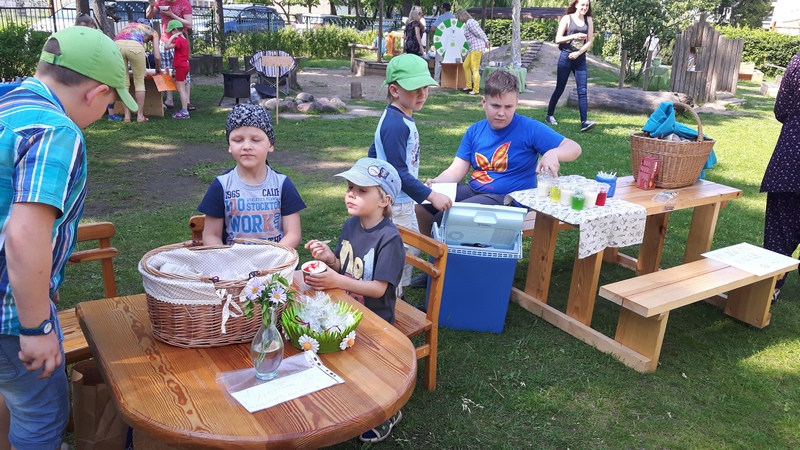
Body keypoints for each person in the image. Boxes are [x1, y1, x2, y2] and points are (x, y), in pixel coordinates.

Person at [0, 26, 135, 449]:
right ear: (95, 93)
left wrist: (41, 286)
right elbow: (23, 235)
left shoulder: (7, 103)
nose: (106, 112)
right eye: (110, 104)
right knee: (41, 418)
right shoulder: (55, 131)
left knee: (8, 401)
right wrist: (36, 324)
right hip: (8, 317)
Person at [304, 157, 405, 443]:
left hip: (375, 318)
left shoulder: (389, 239)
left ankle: (387, 412)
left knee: (370, 371)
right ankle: (346, 398)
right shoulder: (351, 225)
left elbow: (379, 289)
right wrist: (330, 260)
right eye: (350, 187)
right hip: (347, 308)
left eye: (362, 190)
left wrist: (336, 281)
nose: (351, 194)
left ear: (384, 200)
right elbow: (345, 266)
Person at [416, 69, 582, 236]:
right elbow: (455, 170)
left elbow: (574, 147)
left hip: (508, 199)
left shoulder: (529, 128)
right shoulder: (475, 130)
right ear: (484, 102)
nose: (501, 113)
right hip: (475, 190)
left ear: (516, 103)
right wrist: (436, 183)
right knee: (423, 203)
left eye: (508, 107)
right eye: (495, 106)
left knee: (446, 217)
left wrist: (553, 153)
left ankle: (445, 248)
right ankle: (432, 246)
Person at [368, 53, 452, 295]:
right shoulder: (395, 125)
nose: (422, 94)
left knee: (411, 247)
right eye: (415, 89)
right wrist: (431, 196)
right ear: (394, 90)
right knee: (399, 253)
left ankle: (398, 295)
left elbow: (374, 152)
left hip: (403, 200)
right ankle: (389, 299)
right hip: (396, 203)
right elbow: (398, 173)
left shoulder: (401, 117)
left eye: (425, 87)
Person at [198, 103, 305, 248]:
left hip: (276, 259)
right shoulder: (221, 186)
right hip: (233, 260)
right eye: (238, 140)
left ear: (270, 145)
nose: (246, 146)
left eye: (255, 140)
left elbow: (293, 234)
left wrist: (273, 256)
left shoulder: (282, 184)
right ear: (229, 145)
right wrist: (225, 258)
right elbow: (211, 236)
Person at [760, 51, 800, 303]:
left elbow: (782, 109)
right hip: (792, 155)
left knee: (781, 226)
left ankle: (771, 286)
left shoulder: (798, 61)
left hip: (793, 155)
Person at [545, 0, 596, 132]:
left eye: (587, 5)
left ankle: (584, 122)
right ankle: (549, 115)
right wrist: (574, 36)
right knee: (560, 88)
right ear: (576, 4)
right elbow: (558, 39)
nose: (585, 7)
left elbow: (589, 41)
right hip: (566, 58)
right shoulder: (567, 18)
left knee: (582, 90)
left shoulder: (588, 20)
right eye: (582, 4)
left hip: (580, 59)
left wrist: (578, 53)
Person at [146, 0, 194, 111]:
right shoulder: (161, 1)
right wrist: (151, 5)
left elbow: (189, 24)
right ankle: (169, 99)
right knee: (166, 71)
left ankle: (187, 101)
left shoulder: (184, 3)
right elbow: (148, 15)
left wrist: (171, 14)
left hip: (179, 40)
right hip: (165, 40)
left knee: (183, 73)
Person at [114, 18, 162, 122]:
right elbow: (157, 56)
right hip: (135, 46)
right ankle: (140, 116)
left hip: (117, 46)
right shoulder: (152, 31)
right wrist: (158, 68)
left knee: (124, 83)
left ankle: (127, 116)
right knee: (139, 81)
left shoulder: (128, 26)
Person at [455, 9, 490, 95]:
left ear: (462, 16)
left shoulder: (470, 23)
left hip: (477, 47)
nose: (458, 20)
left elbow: (479, 33)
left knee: (474, 68)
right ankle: (469, 85)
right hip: (473, 48)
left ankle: (476, 89)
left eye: (458, 18)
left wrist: (486, 40)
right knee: (465, 65)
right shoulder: (468, 23)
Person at [164, 19, 190, 119]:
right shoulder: (184, 40)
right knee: (182, 88)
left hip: (180, 66)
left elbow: (166, 46)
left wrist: (173, 37)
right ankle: (184, 110)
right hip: (184, 65)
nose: (170, 33)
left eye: (171, 31)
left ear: (175, 30)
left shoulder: (179, 40)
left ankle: (185, 111)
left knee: (181, 89)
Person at [430, 2, 455, 84]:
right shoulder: (454, 18)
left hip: (441, 42)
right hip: (452, 43)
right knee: (450, 61)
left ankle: (437, 80)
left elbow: (433, 28)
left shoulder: (441, 17)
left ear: (444, 9)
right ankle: (449, 80)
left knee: (439, 61)